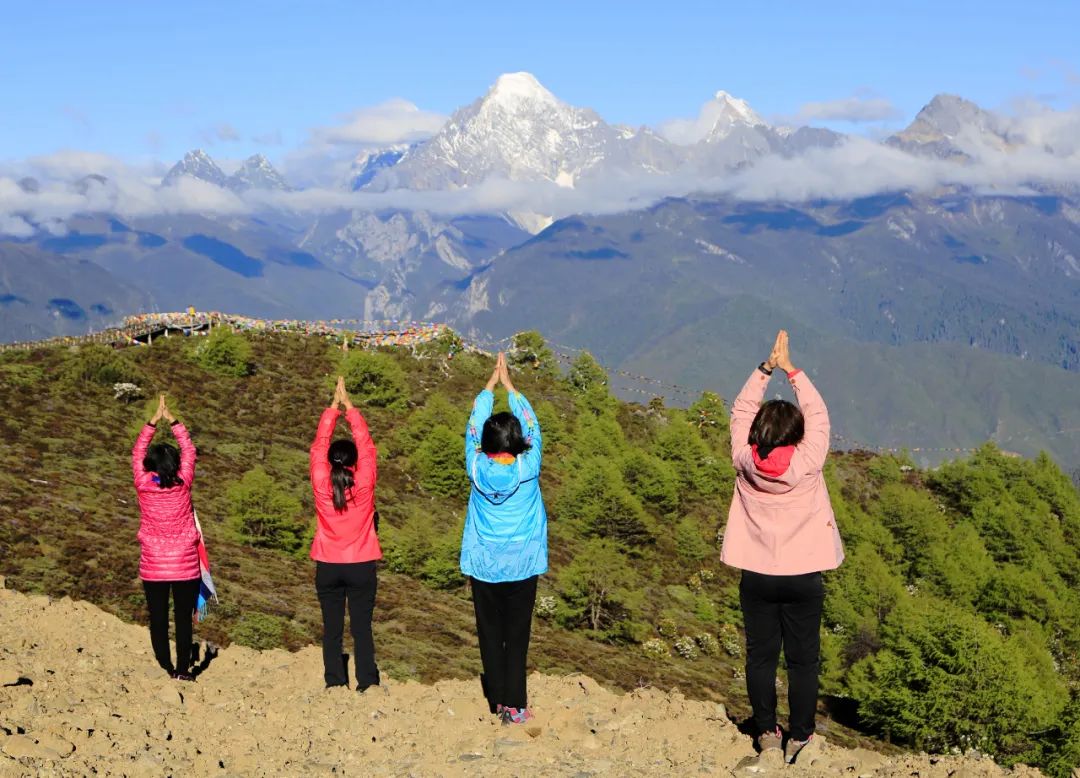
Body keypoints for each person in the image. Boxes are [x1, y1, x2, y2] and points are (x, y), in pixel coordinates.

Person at [720, 330, 844, 764]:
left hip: (757, 574)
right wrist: (790, 368)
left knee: (760, 657)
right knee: (802, 661)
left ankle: (768, 733)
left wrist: (763, 369)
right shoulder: (808, 462)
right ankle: (801, 737)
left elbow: (739, 409)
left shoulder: (743, 458)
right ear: (797, 435)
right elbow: (820, 413)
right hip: (803, 576)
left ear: (756, 433)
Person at [461, 352, 547, 725]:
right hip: (523, 564)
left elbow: (471, 428)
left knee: (490, 634)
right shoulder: (529, 467)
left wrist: (487, 389)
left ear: (485, 444)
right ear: (518, 443)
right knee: (518, 635)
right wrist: (511, 387)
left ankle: (497, 698)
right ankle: (517, 705)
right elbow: (534, 427)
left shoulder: (476, 467)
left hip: (483, 565)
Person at [309, 376, 381, 691]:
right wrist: (351, 409)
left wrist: (332, 410)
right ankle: (367, 681)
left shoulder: (321, 480)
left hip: (328, 563)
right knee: (362, 628)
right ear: (354, 463)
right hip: (362, 563)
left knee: (332, 629)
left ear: (328, 463)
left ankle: (335, 681)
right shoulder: (363, 482)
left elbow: (318, 446)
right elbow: (367, 447)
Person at [132, 394, 201, 681]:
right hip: (185, 565)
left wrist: (151, 422)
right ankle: (183, 670)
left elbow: (136, 453)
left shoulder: (143, 484)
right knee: (183, 620)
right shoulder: (183, 483)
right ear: (175, 464)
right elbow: (190, 450)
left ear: (149, 465)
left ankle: (164, 666)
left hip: (154, 566)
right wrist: (172, 420)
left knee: (158, 619)